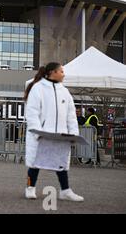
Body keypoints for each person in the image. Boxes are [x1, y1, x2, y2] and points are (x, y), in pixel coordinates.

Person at [24, 62, 84, 202]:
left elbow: (71, 115)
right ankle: (30, 188)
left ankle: (65, 191)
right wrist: (37, 131)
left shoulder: (65, 92)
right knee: (35, 163)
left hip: (60, 135)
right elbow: (32, 112)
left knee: (61, 162)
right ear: (52, 72)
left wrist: (73, 133)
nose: (64, 74)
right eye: (61, 71)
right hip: (42, 135)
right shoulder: (38, 88)